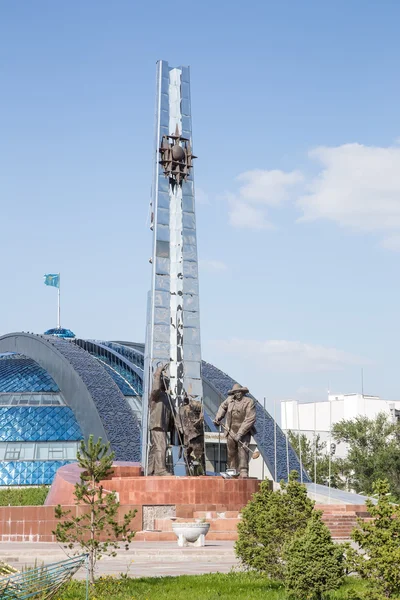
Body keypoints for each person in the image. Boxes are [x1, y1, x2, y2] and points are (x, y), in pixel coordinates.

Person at [213, 383, 256, 478]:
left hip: (244, 431)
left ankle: (243, 470)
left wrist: (240, 433)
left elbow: (250, 419)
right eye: (235, 392)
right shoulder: (230, 400)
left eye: (239, 392)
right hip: (230, 430)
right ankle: (232, 470)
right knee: (231, 451)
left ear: (243, 392)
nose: (237, 394)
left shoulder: (249, 402)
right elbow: (222, 407)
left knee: (243, 450)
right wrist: (218, 417)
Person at [148, 364, 173, 476]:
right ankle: (160, 470)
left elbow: (172, 415)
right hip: (157, 425)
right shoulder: (155, 395)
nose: (167, 383)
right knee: (161, 446)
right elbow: (155, 388)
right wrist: (158, 372)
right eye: (165, 380)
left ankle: (150, 470)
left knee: (155, 448)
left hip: (163, 426)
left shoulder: (166, 398)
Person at [178, 395, 205, 475]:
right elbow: (179, 423)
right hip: (188, 437)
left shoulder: (198, 406)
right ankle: (189, 473)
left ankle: (199, 473)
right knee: (186, 457)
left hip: (197, 437)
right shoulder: (182, 410)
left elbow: (201, 412)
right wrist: (183, 431)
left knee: (198, 457)